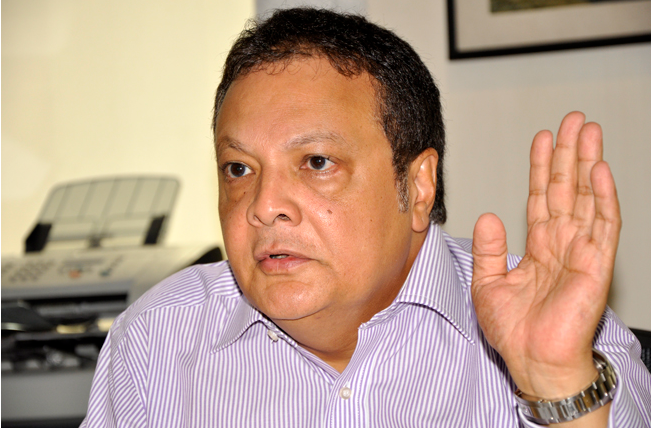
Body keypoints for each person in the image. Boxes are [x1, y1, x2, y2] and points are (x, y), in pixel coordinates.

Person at [81, 8, 650, 427]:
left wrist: (557, 384)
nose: (263, 205)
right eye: (238, 169)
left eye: (317, 162)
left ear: (418, 185)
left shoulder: (565, 333)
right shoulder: (156, 341)